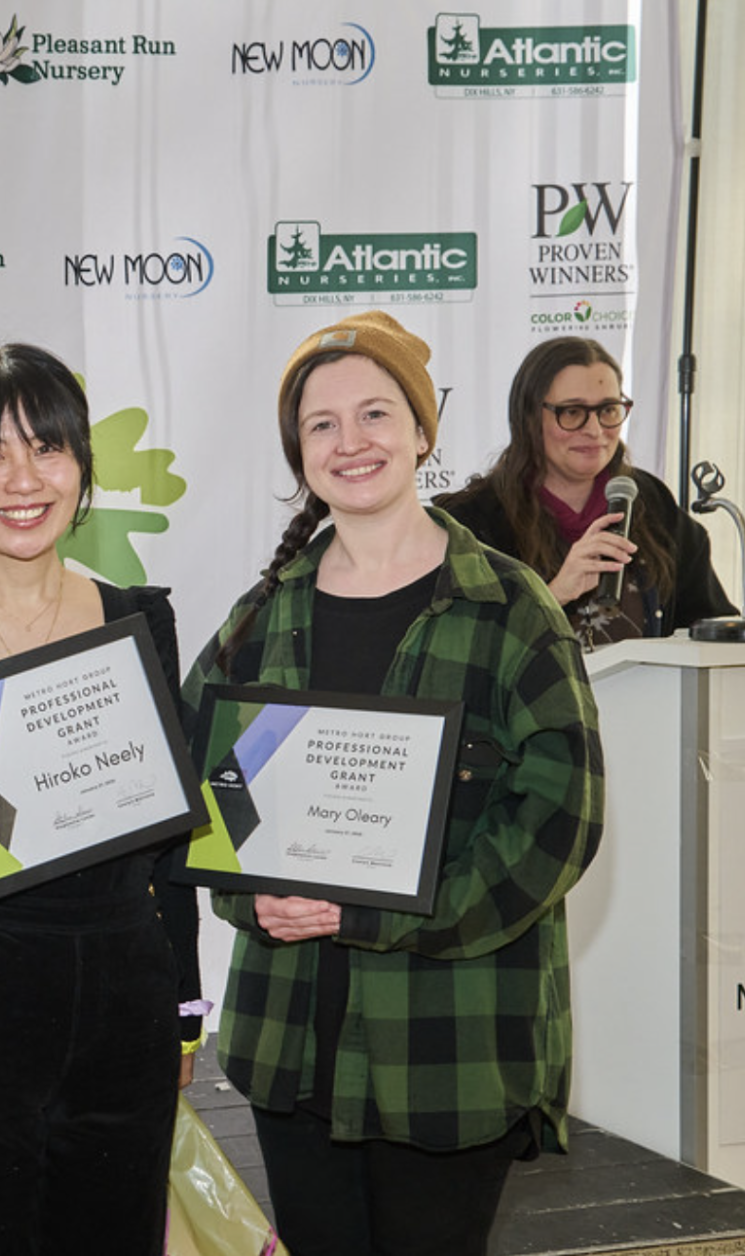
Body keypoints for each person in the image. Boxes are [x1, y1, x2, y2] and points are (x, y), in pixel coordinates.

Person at [182, 312, 603, 1255]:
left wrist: (379, 914)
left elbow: (557, 822)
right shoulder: (262, 617)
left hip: (449, 1053)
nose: (350, 442)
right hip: (294, 1047)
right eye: (321, 424)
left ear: (422, 430)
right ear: (299, 450)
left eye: (375, 413)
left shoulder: (509, 609)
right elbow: (196, 785)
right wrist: (254, 895)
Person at [0, 344, 203, 1255]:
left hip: (126, 1003)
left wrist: (184, 1005)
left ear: (81, 468)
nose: (21, 479)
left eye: (47, 448)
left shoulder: (140, 620)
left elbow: (169, 838)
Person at [438, 336, 735, 645]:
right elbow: (456, 652)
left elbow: (709, 626)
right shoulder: (473, 523)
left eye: (608, 410)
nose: (594, 430)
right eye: (572, 412)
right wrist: (555, 594)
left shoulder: (651, 501)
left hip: (649, 694)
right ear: (528, 418)